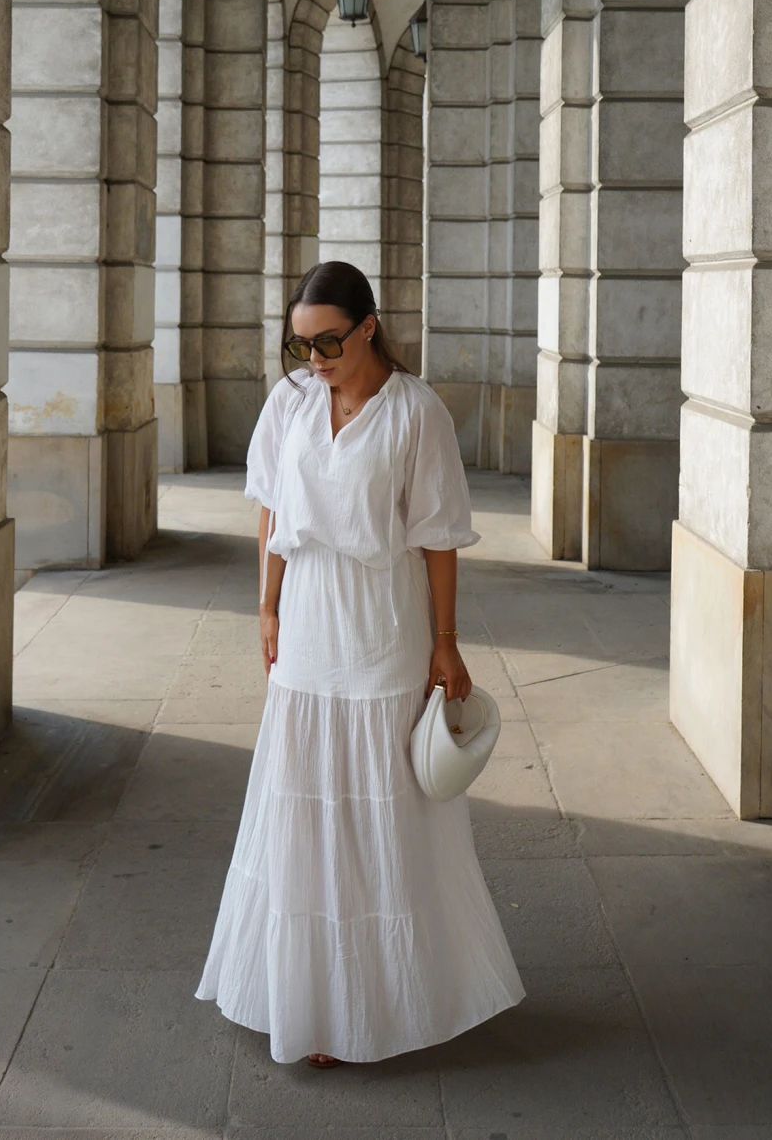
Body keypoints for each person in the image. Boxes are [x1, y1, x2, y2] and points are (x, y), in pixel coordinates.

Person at [195, 260, 525, 1066]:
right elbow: (272, 509)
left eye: (329, 342)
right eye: (300, 345)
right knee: (304, 802)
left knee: (382, 807)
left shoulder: (417, 412)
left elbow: (438, 539)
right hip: (308, 618)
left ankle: (377, 1005)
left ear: (368, 327)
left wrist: (446, 640)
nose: (314, 360)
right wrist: (267, 603)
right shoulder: (291, 402)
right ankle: (308, 1000)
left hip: (383, 624)